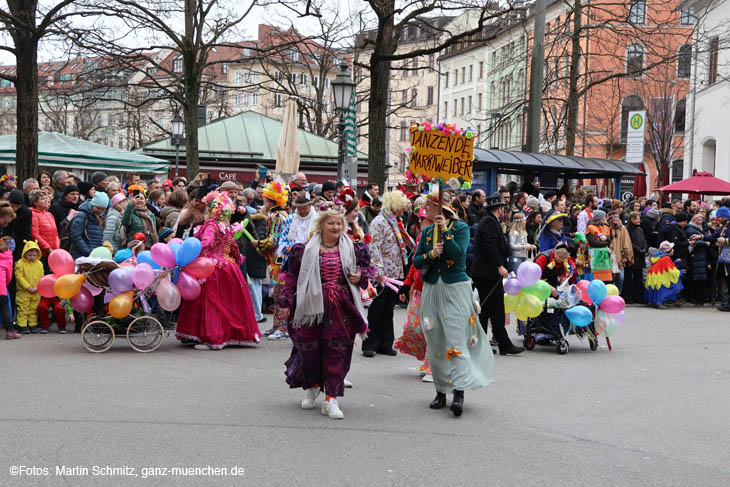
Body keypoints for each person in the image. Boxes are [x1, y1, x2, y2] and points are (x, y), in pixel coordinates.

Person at [278, 208, 371, 419]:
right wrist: (285, 302)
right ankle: (312, 385)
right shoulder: (303, 250)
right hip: (311, 305)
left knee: (337, 350)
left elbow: (365, 273)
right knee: (309, 348)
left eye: (339, 223)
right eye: (331, 223)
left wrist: (360, 276)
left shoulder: (354, 248)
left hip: (341, 306)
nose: (336, 227)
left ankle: (331, 398)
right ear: (321, 225)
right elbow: (291, 278)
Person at [413, 188, 494, 417]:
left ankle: (459, 392)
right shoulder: (427, 232)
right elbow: (417, 261)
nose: (426, 211)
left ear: (443, 210)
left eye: (429, 207)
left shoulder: (460, 229)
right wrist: (431, 255)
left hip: (455, 288)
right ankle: (441, 391)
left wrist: (445, 234)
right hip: (432, 288)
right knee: (435, 338)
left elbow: (458, 255)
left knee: (456, 338)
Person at [175, 191, 260, 349]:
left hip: (212, 267)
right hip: (228, 267)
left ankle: (212, 337)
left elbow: (207, 243)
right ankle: (228, 334)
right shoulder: (226, 227)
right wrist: (236, 260)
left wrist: (199, 259)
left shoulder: (211, 226)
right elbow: (234, 248)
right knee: (228, 302)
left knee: (211, 302)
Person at [471, 193, 524, 356]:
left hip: (486, 272)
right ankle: (503, 344)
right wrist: (500, 266)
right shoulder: (489, 222)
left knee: (487, 309)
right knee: (496, 309)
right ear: (499, 208)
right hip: (487, 272)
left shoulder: (490, 221)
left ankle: (481, 343)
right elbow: (490, 246)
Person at [362, 190, 409, 358]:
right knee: (376, 309)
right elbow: (373, 247)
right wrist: (378, 272)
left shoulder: (394, 221)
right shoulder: (380, 222)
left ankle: (385, 343)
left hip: (394, 272)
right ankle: (371, 343)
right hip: (382, 274)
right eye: (402, 204)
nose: (404, 208)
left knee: (388, 309)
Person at [395, 206, 433, 382]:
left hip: (433, 288)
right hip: (418, 288)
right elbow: (414, 264)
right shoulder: (420, 237)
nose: (420, 222)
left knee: (431, 327)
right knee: (416, 327)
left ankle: (431, 364)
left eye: (424, 220)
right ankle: (426, 359)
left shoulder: (439, 238)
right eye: (420, 220)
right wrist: (406, 284)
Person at [253, 181, 289, 339]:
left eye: (266, 200)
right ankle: (276, 326)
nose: (264, 202)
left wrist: (259, 244)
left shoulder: (276, 216)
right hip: (277, 260)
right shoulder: (280, 214)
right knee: (276, 294)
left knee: (280, 294)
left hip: (279, 261)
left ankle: (283, 328)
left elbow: (274, 240)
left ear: (271, 201)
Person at [277, 192, 317, 267]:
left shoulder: (317, 219)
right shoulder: (290, 218)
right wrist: (285, 248)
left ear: (310, 205)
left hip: (309, 260)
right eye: (299, 208)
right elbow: (283, 237)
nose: (302, 211)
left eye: (304, 208)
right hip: (291, 259)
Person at [703, 205, 730, 311]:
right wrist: (701, 237)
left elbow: (723, 239)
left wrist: (726, 241)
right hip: (725, 258)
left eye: (719, 216)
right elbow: (714, 236)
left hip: (728, 257)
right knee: (727, 280)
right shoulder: (723, 226)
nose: (717, 218)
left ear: (725, 216)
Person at [645, 241, 684, 310]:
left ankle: (654, 302)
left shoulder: (659, 257)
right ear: (669, 251)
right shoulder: (666, 258)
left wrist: (675, 263)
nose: (673, 250)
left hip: (653, 277)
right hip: (660, 278)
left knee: (657, 290)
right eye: (672, 249)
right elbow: (672, 271)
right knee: (669, 286)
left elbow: (666, 267)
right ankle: (659, 303)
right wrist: (681, 272)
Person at [69, 192, 109, 259]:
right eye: (98, 208)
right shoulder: (82, 215)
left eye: (103, 209)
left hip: (93, 255)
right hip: (80, 254)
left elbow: (100, 238)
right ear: (93, 204)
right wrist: (88, 252)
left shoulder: (102, 217)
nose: (100, 211)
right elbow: (75, 236)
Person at [15, 240, 43, 333]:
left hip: (36, 290)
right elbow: (19, 277)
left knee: (34, 309)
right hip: (24, 291)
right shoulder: (20, 263)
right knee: (23, 308)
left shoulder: (39, 264)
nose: (32, 257)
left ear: (37, 254)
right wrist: (27, 287)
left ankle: (32, 324)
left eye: (34, 255)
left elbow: (41, 276)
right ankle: (22, 325)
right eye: (29, 255)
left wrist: (38, 287)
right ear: (25, 253)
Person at [29, 189, 59, 270]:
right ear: (35, 203)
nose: (46, 200)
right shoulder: (33, 214)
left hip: (52, 252)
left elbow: (55, 233)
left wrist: (56, 248)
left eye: (46, 198)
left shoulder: (49, 214)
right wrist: (48, 249)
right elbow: (35, 234)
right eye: (42, 199)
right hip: (41, 253)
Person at [623, 211, 648, 304]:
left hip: (640, 256)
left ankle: (638, 296)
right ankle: (628, 297)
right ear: (631, 219)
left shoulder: (640, 229)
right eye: (637, 219)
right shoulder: (627, 229)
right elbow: (628, 242)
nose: (639, 221)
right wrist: (638, 249)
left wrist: (645, 248)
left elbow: (644, 240)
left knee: (639, 278)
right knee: (628, 278)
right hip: (632, 255)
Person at [686, 213, 710, 306]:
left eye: (701, 220)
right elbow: (694, 242)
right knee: (698, 279)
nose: (700, 222)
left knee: (700, 278)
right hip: (696, 257)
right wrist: (706, 243)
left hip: (701, 257)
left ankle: (699, 299)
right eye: (698, 220)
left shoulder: (699, 229)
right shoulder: (691, 229)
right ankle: (698, 299)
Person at [585, 209, 613, 283]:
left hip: (605, 259)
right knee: (596, 279)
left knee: (607, 280)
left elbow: (610, 238)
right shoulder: (590, 227)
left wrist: (606, 239)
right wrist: (606, 243)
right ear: (599, 218)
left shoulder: (606, 227)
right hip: (594, 257)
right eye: (603, 217)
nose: (605, 219)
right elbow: (593, 242)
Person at [609, 210, 633, 293]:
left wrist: (626, 256)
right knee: (610, 279)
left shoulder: (622, 228)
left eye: (617, 217)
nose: (616, 219)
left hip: (619, 256)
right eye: (614, 217)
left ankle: (617, 295)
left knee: (620, 278)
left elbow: (626, 242)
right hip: (608, 256)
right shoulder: (606, 228)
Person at [7, 190, 32, 262]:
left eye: (17, 206)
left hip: (19, 242)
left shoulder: (26, 212)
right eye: (12, 206)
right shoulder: (4, 208)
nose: (14, 209)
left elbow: (25, 234)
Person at [0, 238, 18, 339]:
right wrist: (5, 284)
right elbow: (9, 276)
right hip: (1, 289)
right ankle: (10, 332)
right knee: (5, 308)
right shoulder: (8, 257)